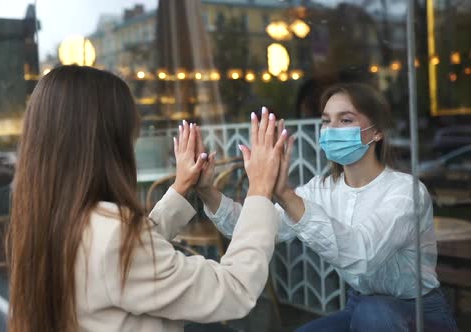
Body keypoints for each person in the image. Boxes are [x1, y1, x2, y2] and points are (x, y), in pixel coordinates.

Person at [6, 65, 291, 332]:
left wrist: (181, 189)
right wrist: (259, 190)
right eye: (131, 138)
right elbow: (233, 290)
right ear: (109, 146)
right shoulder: (113, 236)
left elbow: (129, 259)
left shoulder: (46, 219)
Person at [195, 83, 458, 331]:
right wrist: (208, 192)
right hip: (361, 305)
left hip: (420, 311)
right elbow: (258, 226)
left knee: (375, 313)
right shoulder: (321, 189)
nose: (331, 129)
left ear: (377, 131)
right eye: (325, 121)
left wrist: (284, 193)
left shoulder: (405, 191)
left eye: (345, 120)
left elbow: (360, 254)